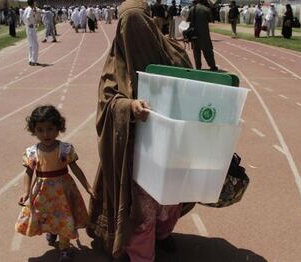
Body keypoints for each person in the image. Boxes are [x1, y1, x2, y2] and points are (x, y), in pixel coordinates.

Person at [86, 0, 195, 261]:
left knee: (169, 200)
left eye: (141, 25)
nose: (135, 34)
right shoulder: (115, 66)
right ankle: (141, 254)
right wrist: (129, 106)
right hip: (134, 152)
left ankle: (162, 234)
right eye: (128, 26)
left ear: (151, 22)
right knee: (141, 208)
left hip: (171, 146)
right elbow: (108, 103)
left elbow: (195, 89)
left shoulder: (175, 54)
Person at [15, 105, 95, 262]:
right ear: (34, 130)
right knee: (46, 215)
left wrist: (88, 186)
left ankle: (64, 249)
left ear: (59, 127)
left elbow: (76, 169)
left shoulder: (65, 149)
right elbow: (28, 173)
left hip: (63, 192)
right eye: (40, 130)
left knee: (64, 218)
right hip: (43, 193)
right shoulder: (32, 152)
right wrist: (26, 192)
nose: (46, 134)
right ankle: (52, 231)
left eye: (50, 128)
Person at [187, 0, 218, 71]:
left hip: (194, 34)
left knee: (196, 52)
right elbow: (211, 19)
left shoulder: (192, 9)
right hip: (204, 34)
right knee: (208, 51)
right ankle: (212, 66)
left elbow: (188, 19)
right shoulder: (206, 9)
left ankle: (198, 67)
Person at [23, 0, 39, 66]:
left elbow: (23, 18)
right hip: (31, 28)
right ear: (32, 3)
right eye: (34, 2)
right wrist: (31, 23)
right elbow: (28, 17)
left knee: (30, 45)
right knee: (35, 45)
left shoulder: (27, 9)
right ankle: (33, 61)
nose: (35, 3)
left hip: (27, 27)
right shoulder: (30, 9)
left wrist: (27, 23)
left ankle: (30, 59)